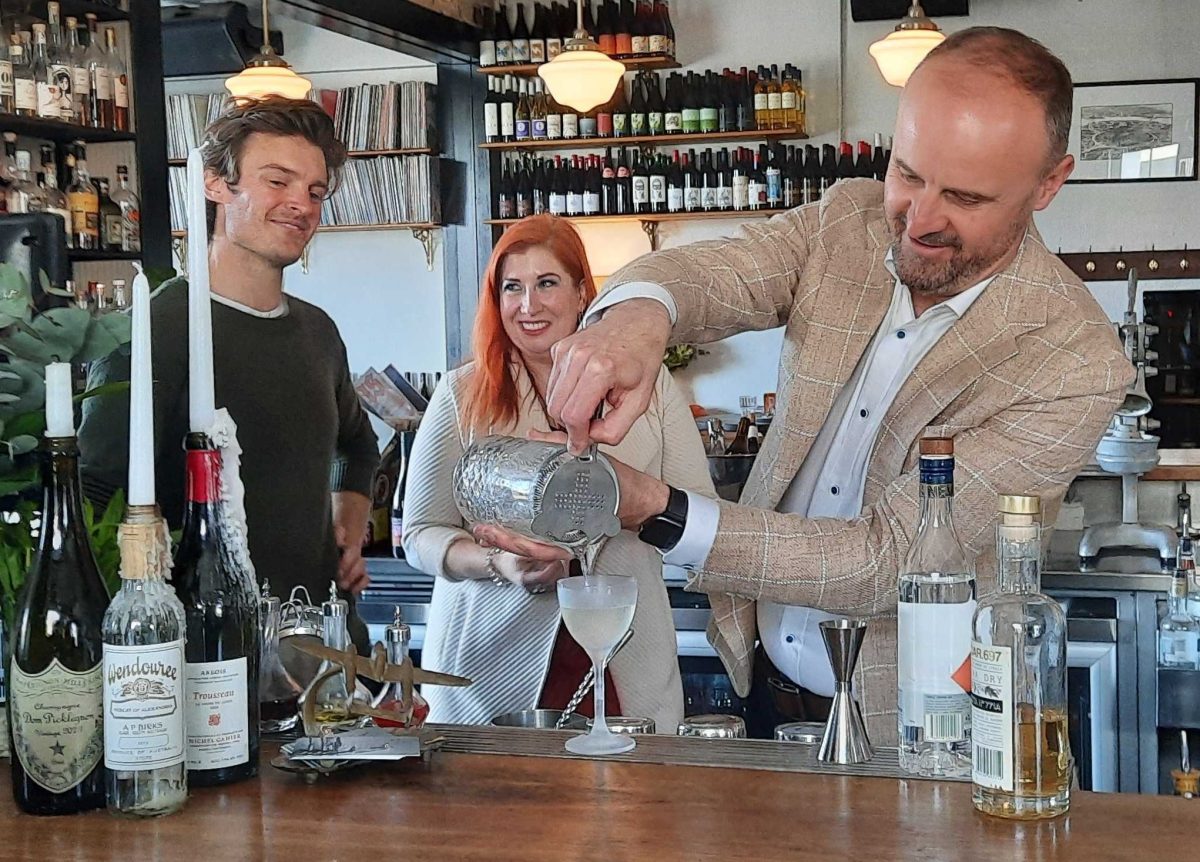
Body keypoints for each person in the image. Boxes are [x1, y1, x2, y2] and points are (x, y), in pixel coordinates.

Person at [474, 28, 1135, 743]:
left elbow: (890, 561)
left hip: (917, 730)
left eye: (966, 197)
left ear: (1049, 183)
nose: (920, 220)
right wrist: (632, 319)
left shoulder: (1074, 359)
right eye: (908, 173)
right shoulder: (847, 222)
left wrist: (659, 510)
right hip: (765, 694)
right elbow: (718, 271)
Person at [79, 97, 379, 645]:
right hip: (202, 658)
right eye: (278, 182)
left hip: (324, 654)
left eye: (315, 192)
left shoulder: (318, 332)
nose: (301, 205)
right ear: (216, 183)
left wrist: (348, 532)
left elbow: (357, 447)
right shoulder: (148, 334)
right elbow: (93, 497)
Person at [403, 214, 716, 731]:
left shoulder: (648, 384)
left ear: (581, 293)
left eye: (547, 283)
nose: (529, 306)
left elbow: (699, 515)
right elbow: (419, 536)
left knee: (629, 807)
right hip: (490, 666)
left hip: (627, 660)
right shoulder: (461, 395)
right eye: (512, 288)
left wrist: (632, 503)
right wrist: (496, 563)